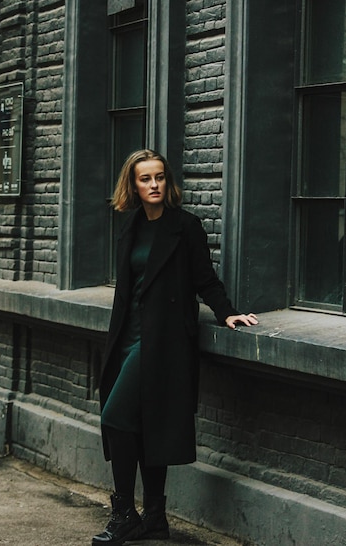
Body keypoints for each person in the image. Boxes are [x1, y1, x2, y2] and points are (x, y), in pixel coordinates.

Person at [92, 149, 258, 545]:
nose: (153, 185)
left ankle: (126, 514)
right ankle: (154, 518)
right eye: (145, 178)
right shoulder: (129, 225)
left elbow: (205, 279)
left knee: (117, 417)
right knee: (140, 423)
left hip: (163, 341)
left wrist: (227, 313)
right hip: (127, 335)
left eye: (159, 177)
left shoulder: (185, 227)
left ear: (168, 182)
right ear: (132, 185)